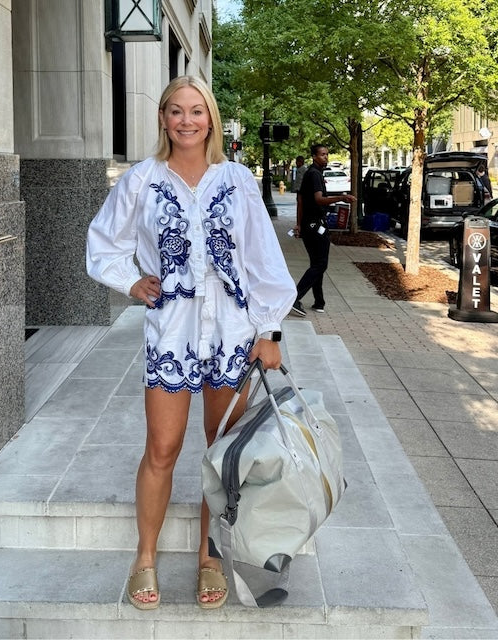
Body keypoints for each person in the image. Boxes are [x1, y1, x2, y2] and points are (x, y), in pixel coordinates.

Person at [86, 75, 297, 610]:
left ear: (212, 119)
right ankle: (146, 557)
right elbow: (105, 243)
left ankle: (209, 556)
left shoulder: (238, 181)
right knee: (162, 447)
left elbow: (263, 259)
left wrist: (269, 331)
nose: (186, 120)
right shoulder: (141, 181)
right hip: (173, 333)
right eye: (176, 111)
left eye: (196, 111)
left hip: (232, 334)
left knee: (222, 452)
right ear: (162, 118)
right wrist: (130, 281)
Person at [290, 144, 356, 316]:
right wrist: (342, 197)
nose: (326, 157)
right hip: (315, 225)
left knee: (317, 264)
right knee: (320, 264)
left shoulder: (310, 174)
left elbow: (301, 201)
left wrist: (299, 224)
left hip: (308, 224)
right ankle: (294, 298)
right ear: (314, 156)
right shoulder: (314, 175)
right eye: (322, 155)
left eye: (327, 154)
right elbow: (319, 200)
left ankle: (319, 301)